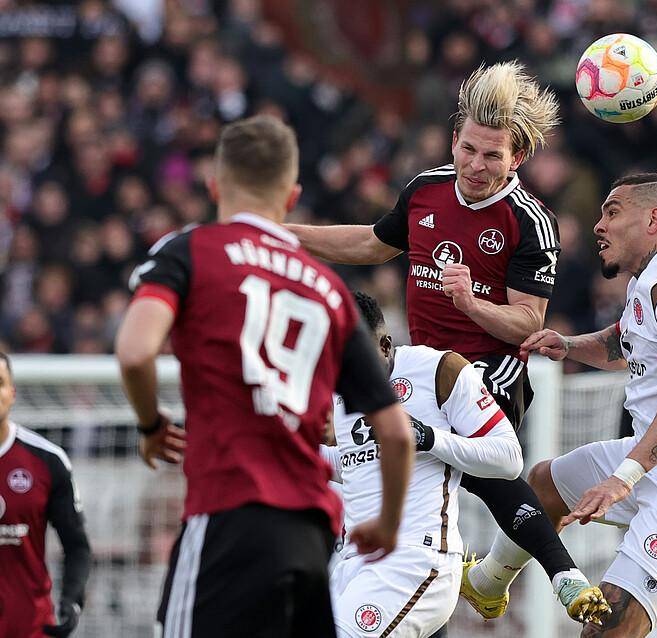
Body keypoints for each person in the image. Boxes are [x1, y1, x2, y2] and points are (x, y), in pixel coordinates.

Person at [287, 60, 607, 624]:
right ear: (454, 138)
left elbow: (528, 323)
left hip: (490, 369)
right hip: (418, 366)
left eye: (492, 156)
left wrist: (472, 304)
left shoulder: (529, 221)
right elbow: (371, 244)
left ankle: (564, 576)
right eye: (468, 149)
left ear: (517, 157)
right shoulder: (426, 190)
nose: (476, 165)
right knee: (419, 505)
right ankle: (479, 583)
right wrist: (287, 235)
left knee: (478, 465)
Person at [115, 115, 414, 638]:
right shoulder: (328, 289)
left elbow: (136, 352)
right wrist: (388, 524)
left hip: (226, 517)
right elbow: (396, 432)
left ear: (214, 186)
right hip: (310, 537)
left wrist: (150, 426)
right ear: (292, 196)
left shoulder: (191, 250)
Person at [498, 172, 657, 637]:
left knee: (608, 627)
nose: (598, 225)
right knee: (543, 486)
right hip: (656, 462)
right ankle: (487, 583)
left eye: (613, 212)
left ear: (654, 220)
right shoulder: (650, 279)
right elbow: (625, 342)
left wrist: (622, 479)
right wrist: (569, 345)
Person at [323, 292, 524, 637]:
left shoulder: (438, 369)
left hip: (416, 559)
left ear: (385, 346)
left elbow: (509, 458)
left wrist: (430, 438)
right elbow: (352, 464)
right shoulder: (339, 389)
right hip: (351, 564)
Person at [0, 353, 91, 638]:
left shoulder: (46, 460)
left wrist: (72, 598)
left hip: (30, 628)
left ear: (12, 393)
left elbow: (77, 546)